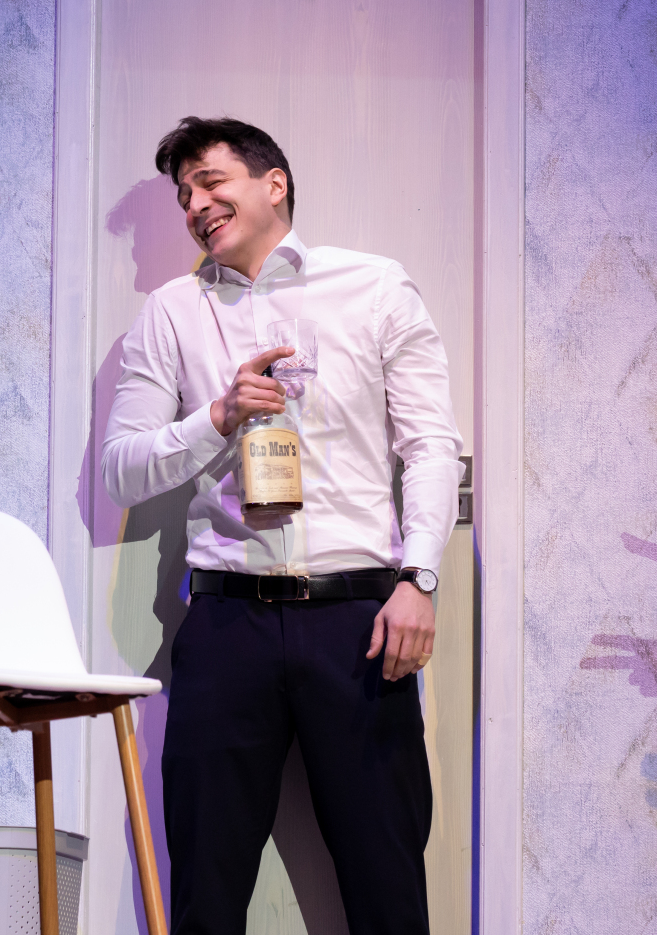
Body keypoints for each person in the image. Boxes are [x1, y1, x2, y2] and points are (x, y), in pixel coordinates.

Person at [102, 116, 464, 934]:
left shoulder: (374, 286)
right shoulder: (172, 312)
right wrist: (218, 416)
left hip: (361, 619)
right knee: (205, 894)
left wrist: (419, 577)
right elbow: (121, 468)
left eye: (210, 182)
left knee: (388, 888)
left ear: (274, 184)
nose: (195, 206)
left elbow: (431, 446)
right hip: (226, 621)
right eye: (183, 196)